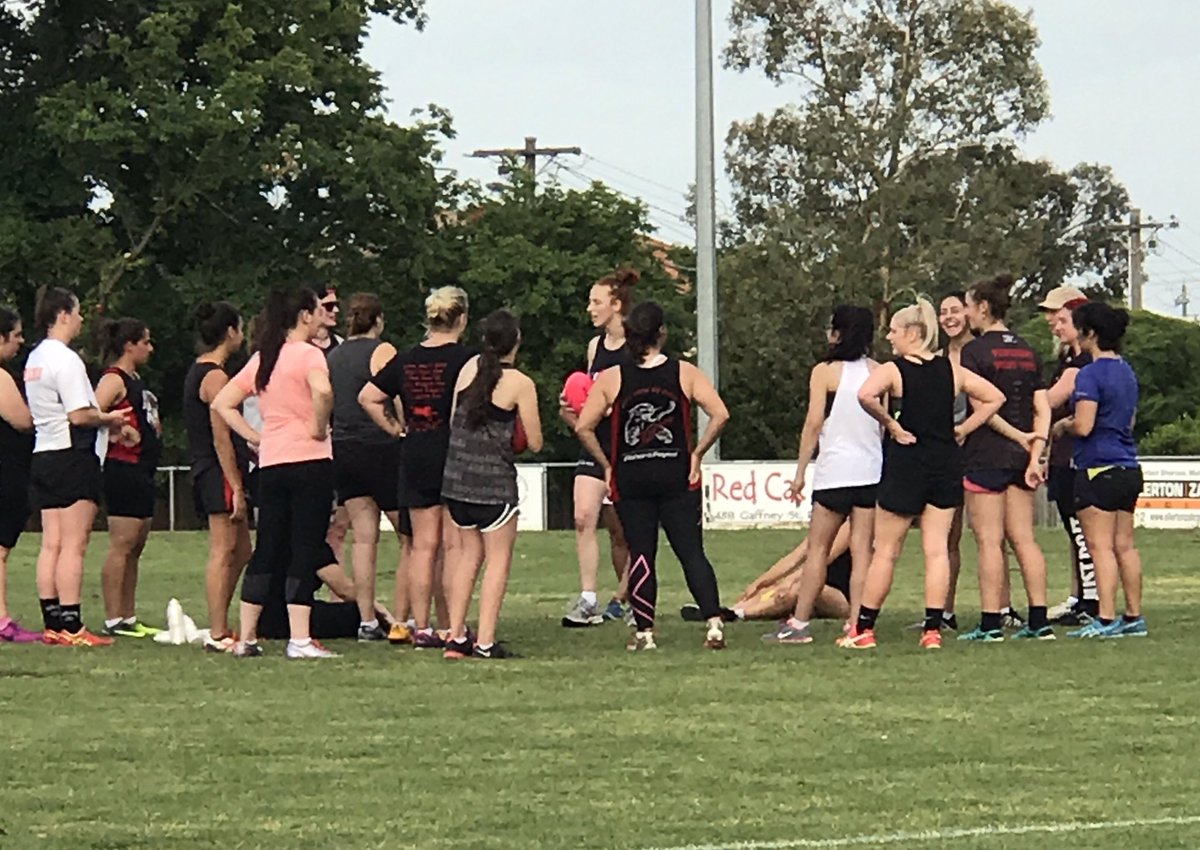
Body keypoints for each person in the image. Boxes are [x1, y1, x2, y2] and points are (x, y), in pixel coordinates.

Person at [845, 298, 1004, 650]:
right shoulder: (952, 370)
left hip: (908, 460)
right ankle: (932, 630)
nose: (889, 336)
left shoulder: (894, 369)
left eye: (894, 331)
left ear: (912, 333)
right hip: (945, 461)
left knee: (886, 549)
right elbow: (994, 398)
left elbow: (865, 394)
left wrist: (890, 424)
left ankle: (864, 629)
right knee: (937, 550)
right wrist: (962, 430)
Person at [576, 301, 730, 651]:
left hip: (631, 477)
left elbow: (584, 426)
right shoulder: (683, 372)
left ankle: (645, 632)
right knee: (691, 551)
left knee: (642, 553)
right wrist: (698, 452)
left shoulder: (614, 377)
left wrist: (606, 463)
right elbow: (720, 414)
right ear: (662, 332)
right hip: (678, 474)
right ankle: (714, 624)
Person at [213, 286, 339, 659]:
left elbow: (224, 403)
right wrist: (318, 426)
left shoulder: (263, 358)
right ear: (303, 316)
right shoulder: (309, 354)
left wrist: (256, 437)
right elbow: (324, 392)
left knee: (267, 546)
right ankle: (299, 639)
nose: (323, 315)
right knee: (304, 545)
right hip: (310, 460)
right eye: (318, 309)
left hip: (272, 462)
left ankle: (247, 637)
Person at [360, 286, 472, 650]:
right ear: (462, 319)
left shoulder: (406, 359)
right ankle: (452, 626)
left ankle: (421, 626)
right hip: (452, 452)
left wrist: (396, 428)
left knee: (422, 546)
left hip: (415, 450)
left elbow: (368, 397)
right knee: (454, 546)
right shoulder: (467, 360)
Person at [765, 305, 880, 644]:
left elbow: (814, 422)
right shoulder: (879, 371)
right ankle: (858, 623)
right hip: (870, 470)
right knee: (862, 552)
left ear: (838, 333)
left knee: (818, 550)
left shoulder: (824, 372)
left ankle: (799, 624)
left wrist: (801, 471)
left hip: (834, 472)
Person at [25, 287, 126, 646]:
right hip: (72, 455)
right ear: (63, 314)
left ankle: (52, 622)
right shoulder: (65, 360)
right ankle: (73, 625)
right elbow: (79, 414)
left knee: (50, 543)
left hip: (44, 453)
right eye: (78, 312)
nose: (82, 319)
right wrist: (109, 418)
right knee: (73, 544)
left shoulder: (34, 359)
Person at [441, 310, 543, 660]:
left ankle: (455, 637)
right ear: (516, 341)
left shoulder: (468, 370)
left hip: (456, 480)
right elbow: (536, 442)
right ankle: (485, 641)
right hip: (493, 485)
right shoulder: (521, 383)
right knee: (498, 560)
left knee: (468, 556)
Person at [957, 274, 1054, 642]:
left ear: (983, 307)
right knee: (1024, 539)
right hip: (1022, 457)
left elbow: (984, 406)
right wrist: (1035, 452)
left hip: (986, 455)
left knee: (989, 540)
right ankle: (1039, 621)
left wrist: (968, 431)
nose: (966, 314)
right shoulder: (1029, 350)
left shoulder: (975, 351)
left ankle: (990, 623)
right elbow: (1041, 408)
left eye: (968, 305)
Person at [1054, 303, 1146, 639]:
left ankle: (1105, 618)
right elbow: (1130, 420)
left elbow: (1084, 424)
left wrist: (1063, 426)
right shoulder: (1126, 370)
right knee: (1125, 545)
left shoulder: (1089, 374)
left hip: (1097, 466)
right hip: (1127, 465)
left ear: (1090, 334)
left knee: (1100, 546)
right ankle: (1133, 616)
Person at [326, 292, 411, 643]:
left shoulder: (334, 355)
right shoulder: (383, 351)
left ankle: (365, 621)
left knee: (364, 537)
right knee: (409, 536)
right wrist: (401, 429)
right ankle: (406, 617)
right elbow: (395, 394)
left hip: (344, 449)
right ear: (378, 320)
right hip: (379, 448)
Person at [559, 269, 635, 627]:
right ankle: (588, 598)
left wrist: (610, 407)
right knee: (582, 518)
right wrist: (573, 411)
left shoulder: (637, 346)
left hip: (626, 450)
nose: (589, 308)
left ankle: (630, 597)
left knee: (624, 533)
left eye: (596, 302)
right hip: (594, 448)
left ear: (616, 305)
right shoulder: (595, 347)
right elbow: (586, 398)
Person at [183, 301, 252, 653]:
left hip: (215, 469)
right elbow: (221, 435)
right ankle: (218, 630)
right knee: (223, 549)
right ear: (230, 332)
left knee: (242, 549)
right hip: (216, 470)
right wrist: (236, 485)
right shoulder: (214, 376)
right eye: (239, 328)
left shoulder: (203, 370)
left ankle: (223, 620)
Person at [95, 318, 164, 638]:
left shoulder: (135, 380)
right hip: (122, 468)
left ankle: (128, 613)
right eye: (145, 342)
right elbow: (88, 413)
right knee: (122, 544)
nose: (150, 348)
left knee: (136, 544)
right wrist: (114, 429)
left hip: (142, 470)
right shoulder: (114, 379)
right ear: (129, 345)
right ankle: (113, 617)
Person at [1039, 286, 1099, 624]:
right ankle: (1080, 596)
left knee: (1082, 531)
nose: (1052, 323)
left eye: (1059, 317)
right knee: (1074, 531)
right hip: (1062, 456)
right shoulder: (1066, 359)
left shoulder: (1082, 365)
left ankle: (1091, 600)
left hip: (1078, 458)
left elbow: (1049, 401)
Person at [680, 519, 856, 624]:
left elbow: (823, 561)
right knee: (771, 590)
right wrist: (760, 582)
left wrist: (791, 581)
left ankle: (738, 615)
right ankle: (726, 610)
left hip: (844, 598)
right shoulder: (828, 521)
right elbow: (795, 557)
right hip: (821, 589)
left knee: (799, 587)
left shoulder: (851, 524)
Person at [0, 308, 39, 643]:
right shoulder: (0, 377)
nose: (21, 342)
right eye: (16, 336)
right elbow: (22, 420)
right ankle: (1, 618)